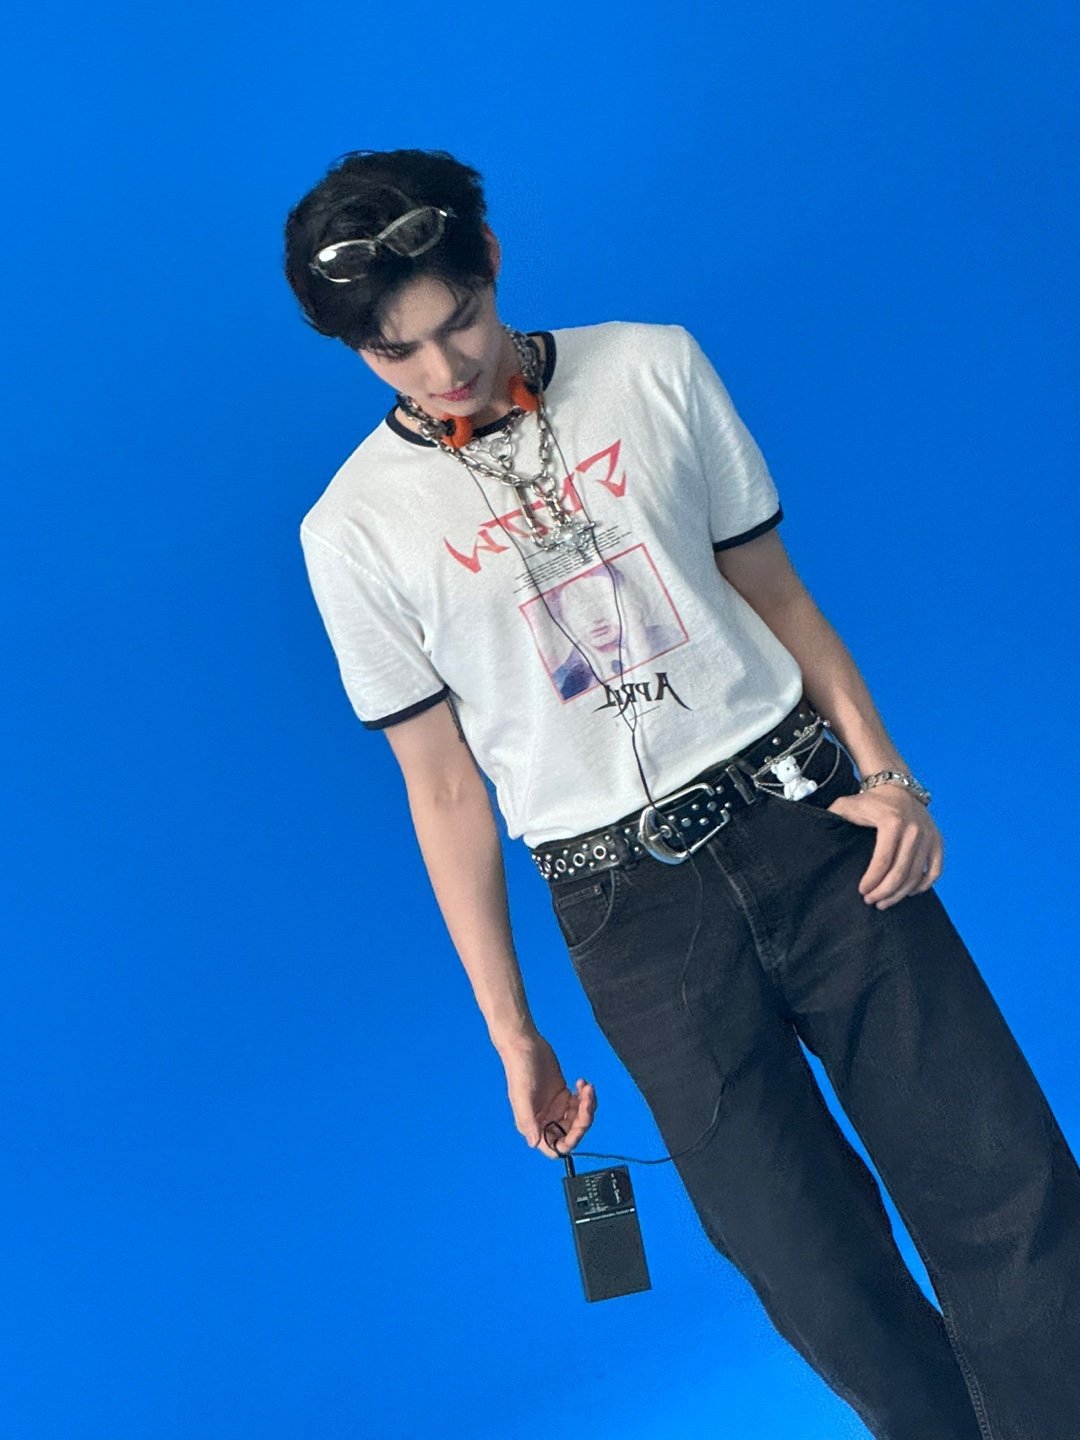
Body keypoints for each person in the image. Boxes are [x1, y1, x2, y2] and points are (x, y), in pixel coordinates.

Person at [283, 148, 1080, 1439]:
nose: (442, 369)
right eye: (393, 352)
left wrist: (888, 774)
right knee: (807, 1267)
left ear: (493, 263)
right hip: (632, 916)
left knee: (1006, 1185)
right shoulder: (351, 532)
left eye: (460, 321)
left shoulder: (652, 367)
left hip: (812, 822)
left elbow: (779, 595)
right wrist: (513, 1032)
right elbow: (443, 794)